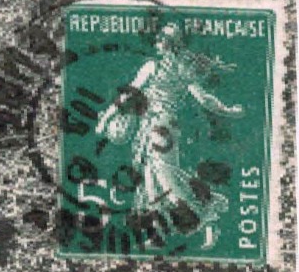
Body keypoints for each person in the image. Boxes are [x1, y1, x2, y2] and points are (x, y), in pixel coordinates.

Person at [94, 23, 242, 226]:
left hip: (159, 126)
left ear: (169, 43)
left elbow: (128, 93)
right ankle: (161, 224)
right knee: (152, 174)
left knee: (163, 175)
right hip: (162, 125)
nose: (157, 42)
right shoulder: (182, 69)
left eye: (161, 38)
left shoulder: (153, 67)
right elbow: (205, 99)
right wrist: (228, 110)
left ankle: (201, 212)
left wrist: (105, 119)